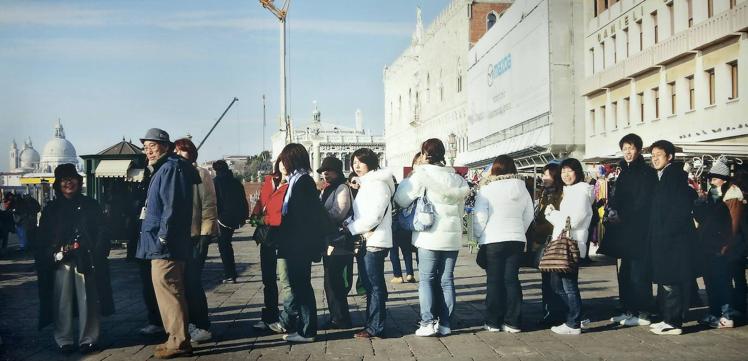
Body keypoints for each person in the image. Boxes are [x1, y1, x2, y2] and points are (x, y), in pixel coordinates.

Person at [35, 163, 114, 355]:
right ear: (58, 184)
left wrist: (97, 251)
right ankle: (64, 339)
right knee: (61, 300)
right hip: (61, 261)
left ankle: (88, 338)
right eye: (63, 180)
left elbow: (102, 230)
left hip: (86, 259)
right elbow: (43, 236)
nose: (68, 183)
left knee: (88, 299)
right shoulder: (51, 209)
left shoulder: (90, 205)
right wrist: (52, 253)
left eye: (71, 179)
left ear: (78, 181)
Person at [394, 139, 469, 337]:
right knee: (447, 280)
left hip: (428, 235)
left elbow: (401, 199)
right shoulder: (457, 179)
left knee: (426, 279)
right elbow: (461, 211)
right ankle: (445, 324)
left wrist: (411, 176)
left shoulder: (422, 175)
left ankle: (427, 323)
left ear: (425, 153)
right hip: (451, 236)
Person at [135, 128, 199, 358]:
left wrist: (163, 236)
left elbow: (171, 207)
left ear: (165, 145)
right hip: (161, 242)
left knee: (169, 289)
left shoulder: (170, 168)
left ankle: (179, 341)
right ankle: (175, 337)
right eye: (145, 147)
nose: (148, 150)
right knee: (168, 290)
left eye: (152, 145)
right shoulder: (166, 167)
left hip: (164, 244)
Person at [265, 143, 327, 342]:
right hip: (293, 243)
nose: (281, 163)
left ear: (293, 159)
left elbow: (305, 217)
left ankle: (307, 330)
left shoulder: (303, 182)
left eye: (284, 159)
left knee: (302, 286)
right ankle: (303, 327)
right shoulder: (296, 180)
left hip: (299, 245)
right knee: (299, 286)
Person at [473, 155, 534, 333]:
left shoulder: (487, 189)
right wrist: (519, 230)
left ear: (494, 169)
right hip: (515, 238)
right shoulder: (522, 188)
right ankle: (513, 321)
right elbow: (529, 213)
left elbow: (480, 216)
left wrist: (479, 236)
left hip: (493, 238)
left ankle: (493, 321)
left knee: (494, 281)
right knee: (511, 280)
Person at [602, 133, 657, 327]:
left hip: (638, 230)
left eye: (631, 148)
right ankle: (628, 308)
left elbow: (643, 203)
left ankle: (643, 312)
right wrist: (610, 211)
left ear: (639, 150)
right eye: (625, 148)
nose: (628, 152)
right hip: (623, 230)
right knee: (624, 272)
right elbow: (618, 198)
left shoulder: (646, 172)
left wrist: (622, 215)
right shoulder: (623, 170)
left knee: (638, 273)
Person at [647, 140, 697, 336]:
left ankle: (674, 322)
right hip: (664, 237)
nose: (655, 159)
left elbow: (679, 208)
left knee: (671, 279)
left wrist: (667, 232)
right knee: (665, 279)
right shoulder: (663, 176)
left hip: (672, 239)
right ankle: (667, 318)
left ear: (670, 156)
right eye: (652, 156)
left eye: (659, 154)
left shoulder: (674, 175)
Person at [346, 147, 395, 339]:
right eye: (354, 162)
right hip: (366, 239)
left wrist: (350, 229)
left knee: (374, 286)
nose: (356, 165)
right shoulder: (368, 183)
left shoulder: (378, 184)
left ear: (371, 162)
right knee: (370, 284)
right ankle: (372, 323)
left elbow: (374, 216)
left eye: (360, 161)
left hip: (374, 241)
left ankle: (376, 326)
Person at [173, 138, 217, 343]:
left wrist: (205, 235)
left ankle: (202, 325)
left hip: (195, 236)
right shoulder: (172, 173)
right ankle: (186, 324)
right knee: (178, 284)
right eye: (177, 151)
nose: (180, 155)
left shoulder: (201, 174)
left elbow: (209, 206)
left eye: (184, 151)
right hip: (176, 238)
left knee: (193, 282)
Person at [544, 158, 594, 335]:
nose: (566, 175)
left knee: (568, 285)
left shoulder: (580, 192)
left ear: (577, 172)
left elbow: (573, 221)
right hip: (565, 241)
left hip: (571, 243)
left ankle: (574, 322)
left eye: (569, 171)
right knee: (559, 285)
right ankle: (577, 316)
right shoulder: (571, 191)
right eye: (563, 171)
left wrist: (551, 214)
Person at [694, 156, 742, 329]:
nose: (711, 182)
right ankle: (714, 312)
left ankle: (726, 314)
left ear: (722, 179)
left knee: (721, 281)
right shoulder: (715, 195)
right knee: (711, 281)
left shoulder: (732, 194)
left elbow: (734, 225)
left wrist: (724, 247)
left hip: (722, 247)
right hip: (710, 246)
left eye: (714, 178)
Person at [250, 158, 291, 331]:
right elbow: (260, 204)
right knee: (268, 279)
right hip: (266, 236)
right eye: (281, 161)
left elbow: (282, 215)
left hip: (282, 236)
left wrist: (262, 218)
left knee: (286, 279)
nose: (283, 165)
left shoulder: (292, 184)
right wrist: (256, 216)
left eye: (287, 162)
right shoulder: (269, 181)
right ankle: (269, 316)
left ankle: (288, 318)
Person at [317, 156, 354, 329]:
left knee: (334, 280)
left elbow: (338, 212)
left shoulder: (342, 188)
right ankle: (337, 315)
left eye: (329, 171)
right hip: (329, 240)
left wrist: (318, 217)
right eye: (323, 172)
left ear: (337, 171)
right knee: (330, 279)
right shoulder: (326, 189)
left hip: (339, 242)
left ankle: (340, 318)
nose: (325, 174)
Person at [528, 163, 565, 326]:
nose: (544, 178)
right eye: (544, 175)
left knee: (555, 282)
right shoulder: (544, 194)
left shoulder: (560, 195)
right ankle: (549, 311)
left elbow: (554, 220)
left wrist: (539, 228)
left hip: (553, 240)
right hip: (542, 240)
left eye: (547, 175)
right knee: (546, 280)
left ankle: (558, 313)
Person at [213, 160, 249, 284]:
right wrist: (244, 216)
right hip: (235, 218)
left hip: (222, 219)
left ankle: (230, 274)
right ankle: (231, 273)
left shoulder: (216, 182)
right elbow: (243, 200)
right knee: (227, 245)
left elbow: (214, 202)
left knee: (224, 246)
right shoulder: (236, 182)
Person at [390, 153, 420, 284]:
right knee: (407, 251)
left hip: (392, 225)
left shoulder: (388, 191)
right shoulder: (401, 188)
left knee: (394, 252)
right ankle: (410, 274)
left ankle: (398, 275)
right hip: (404, 223)